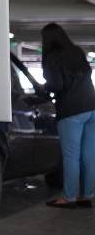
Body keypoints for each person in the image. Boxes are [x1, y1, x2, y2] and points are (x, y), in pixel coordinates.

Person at [42, 23, 95, 209]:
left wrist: (44, 89)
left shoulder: (52, 57)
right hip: (91, 106)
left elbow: (56, 85)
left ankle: (69, 197)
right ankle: (86, 196)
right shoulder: (77, 52)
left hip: (71, 110)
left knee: (71, 156)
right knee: (89, 154)